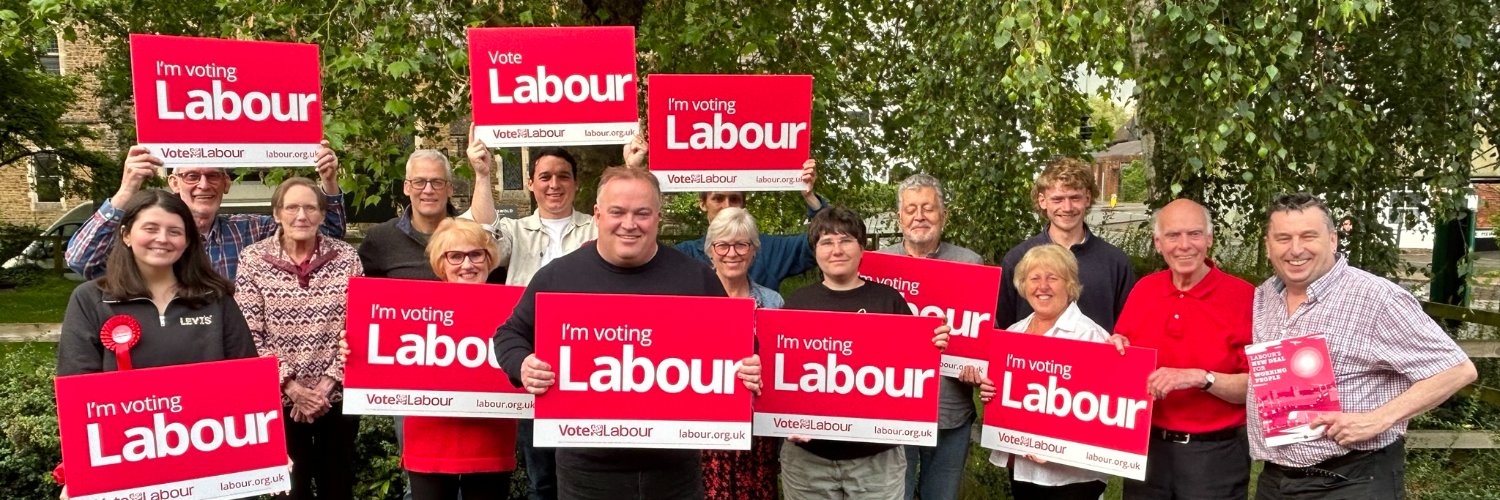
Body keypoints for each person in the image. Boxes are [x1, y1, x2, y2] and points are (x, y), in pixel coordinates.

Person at [491, 166, 762, 500]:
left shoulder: (697, 280)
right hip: (585, 471)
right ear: (598, 214)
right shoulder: (558, 277)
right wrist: (522, 364)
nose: (629, 224)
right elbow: (509, 335)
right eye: (617, 212)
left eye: (642, 213)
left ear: (658, 217)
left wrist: (750, 365)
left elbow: (744, 347)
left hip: (674, 470)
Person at [1249, 193, 1476, 499]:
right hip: (1278, 479)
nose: (1295, 249)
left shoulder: (1376, 298)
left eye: (1308, 236)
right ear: (1268, 245)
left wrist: (1378, 418)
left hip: (1353, 479)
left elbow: (1457, 370)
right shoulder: (1265, 297)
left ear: (1332, 240)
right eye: (1283, 238)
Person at [55, 190, 258, 499]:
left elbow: (247, 381)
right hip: (129, 462)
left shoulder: (216, 298)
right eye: (150, 228)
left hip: (212, 458)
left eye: (175, 231)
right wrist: (81, 471)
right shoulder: (91, 299)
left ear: (188, 241)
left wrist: (265, 448)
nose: (162, 238)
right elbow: (77, 388)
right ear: (126, 235)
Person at [779, 206, 951, 500]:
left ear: (862, 248)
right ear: (815, 251)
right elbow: (779, 374)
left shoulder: (888, 300)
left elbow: (913, 372)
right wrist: (782, 417)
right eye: (826, 242)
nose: (837, 250)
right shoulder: (797, 303)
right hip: (809, 460)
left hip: (876, 462)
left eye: (845, 240)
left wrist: (932, 344)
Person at [358, 148, 496, 500]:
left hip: (476, 375)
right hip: (414, 382)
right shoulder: (380, 240)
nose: (428, 189)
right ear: (406, 187)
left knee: (481, 479)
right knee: (422, 481)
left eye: (437, 182)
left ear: (450, 188)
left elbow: (488, 234)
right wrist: (357, 342)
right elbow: (366, 306)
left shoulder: (469, 233)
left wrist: (482, 174)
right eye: (419, 181)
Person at [465, 135, 595, 500]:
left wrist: (633, 167)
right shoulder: (515, 230)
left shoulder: (597, 228)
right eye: (545, 176)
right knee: (542, 480)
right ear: (531, 183)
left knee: (588, 476)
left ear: (576, 183)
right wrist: (481, 174)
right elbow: (480, 236)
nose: (554, 184)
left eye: (563, 176)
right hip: (531, 365)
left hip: (591, 365)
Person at [1103, 199, 1254, 500]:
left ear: (1209, 239)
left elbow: (1258, 386)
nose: (1184, 245)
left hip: (1215, 457)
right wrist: (1117, 348)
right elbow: (1125, 351)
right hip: (1147, 449)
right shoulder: (1144, 290)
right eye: (1173, 236)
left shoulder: (1245, 296)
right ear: (1158, 243)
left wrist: (1201, 377)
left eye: (1194, 234)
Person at [235, 177, 364, 500]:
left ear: (322, 214)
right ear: (277, 213)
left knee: (338, 484)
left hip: (337, 398)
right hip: (278, 401)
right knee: (290, 490)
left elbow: (360, 329)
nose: (301, 215)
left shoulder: (346, 258)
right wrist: (290, 387)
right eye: (292, 207)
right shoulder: (253, 260)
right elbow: (249, 333)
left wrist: (327, 384)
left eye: (310, 207)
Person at [66, 142, 346, 280]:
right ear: (173, 183)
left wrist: (329, 181)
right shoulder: (151, 238)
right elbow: (82, 262)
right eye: (192, 176)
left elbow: (327, 233)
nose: (203, 185)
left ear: (226, 184)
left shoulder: (250, 230)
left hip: (234, 353)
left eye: (213, 176)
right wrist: (127, 190)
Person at [972, 244, 1110, 499]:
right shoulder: (1013, 333)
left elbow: (1104, 412)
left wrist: (1059, 448)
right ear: (1024, 286)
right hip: (1023, 467)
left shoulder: (1092, 337)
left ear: (1069, 285)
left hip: (1072, 478)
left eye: (1053, 278)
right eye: (1034, 278)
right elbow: (1005, 393)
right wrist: (992, 391)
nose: (1042, 286)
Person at [877, 174, 981, 500]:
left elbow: (980, 336)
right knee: (897, 495)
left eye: (928, 208)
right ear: (899, 217)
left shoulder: (970, 263)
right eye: (910, 209)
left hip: (950, 411)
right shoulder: (880, 265)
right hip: (893, 410)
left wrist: (977, 365)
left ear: (944, 215)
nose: (919, 216)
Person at [401, 218, 518, 500]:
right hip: (430, 438)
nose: (467, 264)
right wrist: (355, 350)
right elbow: (382, 350)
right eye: (455, 256)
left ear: (489, 259)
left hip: (490, 437)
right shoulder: (411, 306)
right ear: (440, 263)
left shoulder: (515, 308)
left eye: (476, 254)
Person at [623, 135, 828, 292]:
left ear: (744, 204)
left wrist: (810, 197)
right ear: (702, 204)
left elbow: (824, 242)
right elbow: (637, 254)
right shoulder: (684, 255)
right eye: (718, 198)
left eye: (735, 199)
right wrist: (633, 170)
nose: (727, 206)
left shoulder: (770, 250)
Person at [996, 157, 1134, 332]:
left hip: (1095, 358)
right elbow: (1004, 326)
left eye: (1075, 198)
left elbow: (1126, 330)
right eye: (1058, 199)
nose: (1067, 207)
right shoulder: (1017, 259)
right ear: (1042, 201)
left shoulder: (1115, 262)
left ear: (1088, 198)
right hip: (1030, 359)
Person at [701, 207, 782, 500]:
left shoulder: (773, 302)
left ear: (753, 250)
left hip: (755, 428)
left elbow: (782, 366)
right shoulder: (692, 298)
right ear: (710, 250)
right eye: (722, 244)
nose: (731, 253)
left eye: (741, 244)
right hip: (705, 425)